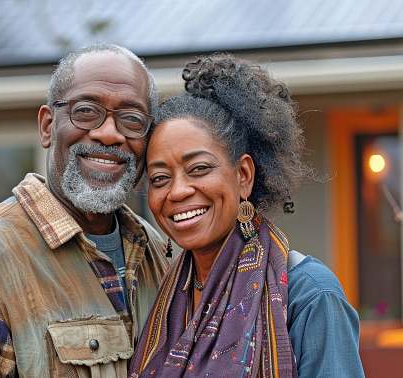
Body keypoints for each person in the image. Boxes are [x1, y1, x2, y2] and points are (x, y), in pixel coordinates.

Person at [0, 44, 170, 377]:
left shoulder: (160, 254)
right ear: (47, 126)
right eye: (86, 111)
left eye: (131, 119)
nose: (109, 133)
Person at [129, 54, 365, 377]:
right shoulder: (162, 299)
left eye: (199, 169)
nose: (178, 191)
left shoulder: (309, 295)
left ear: (243, 175)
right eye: (159, 178)